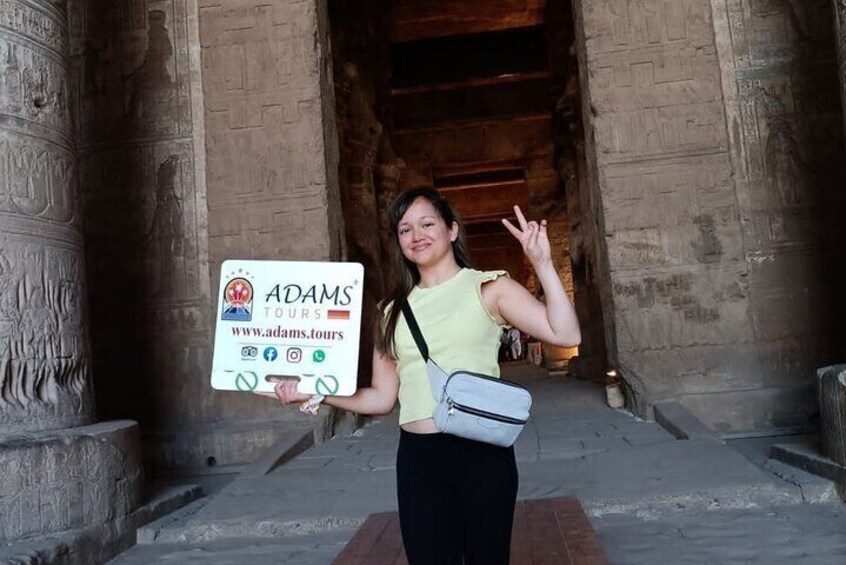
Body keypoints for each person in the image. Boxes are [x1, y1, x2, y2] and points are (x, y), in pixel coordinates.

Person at [264, 187, 580, 564]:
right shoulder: (390, 312)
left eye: (427, 223)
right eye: (405, 229)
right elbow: (382, 398)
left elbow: (567, 335)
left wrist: (543, 264)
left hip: (482, 453)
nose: (417, 235)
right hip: (419, 459)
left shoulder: (490, 288)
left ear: (452, 230)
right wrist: (312, 392)